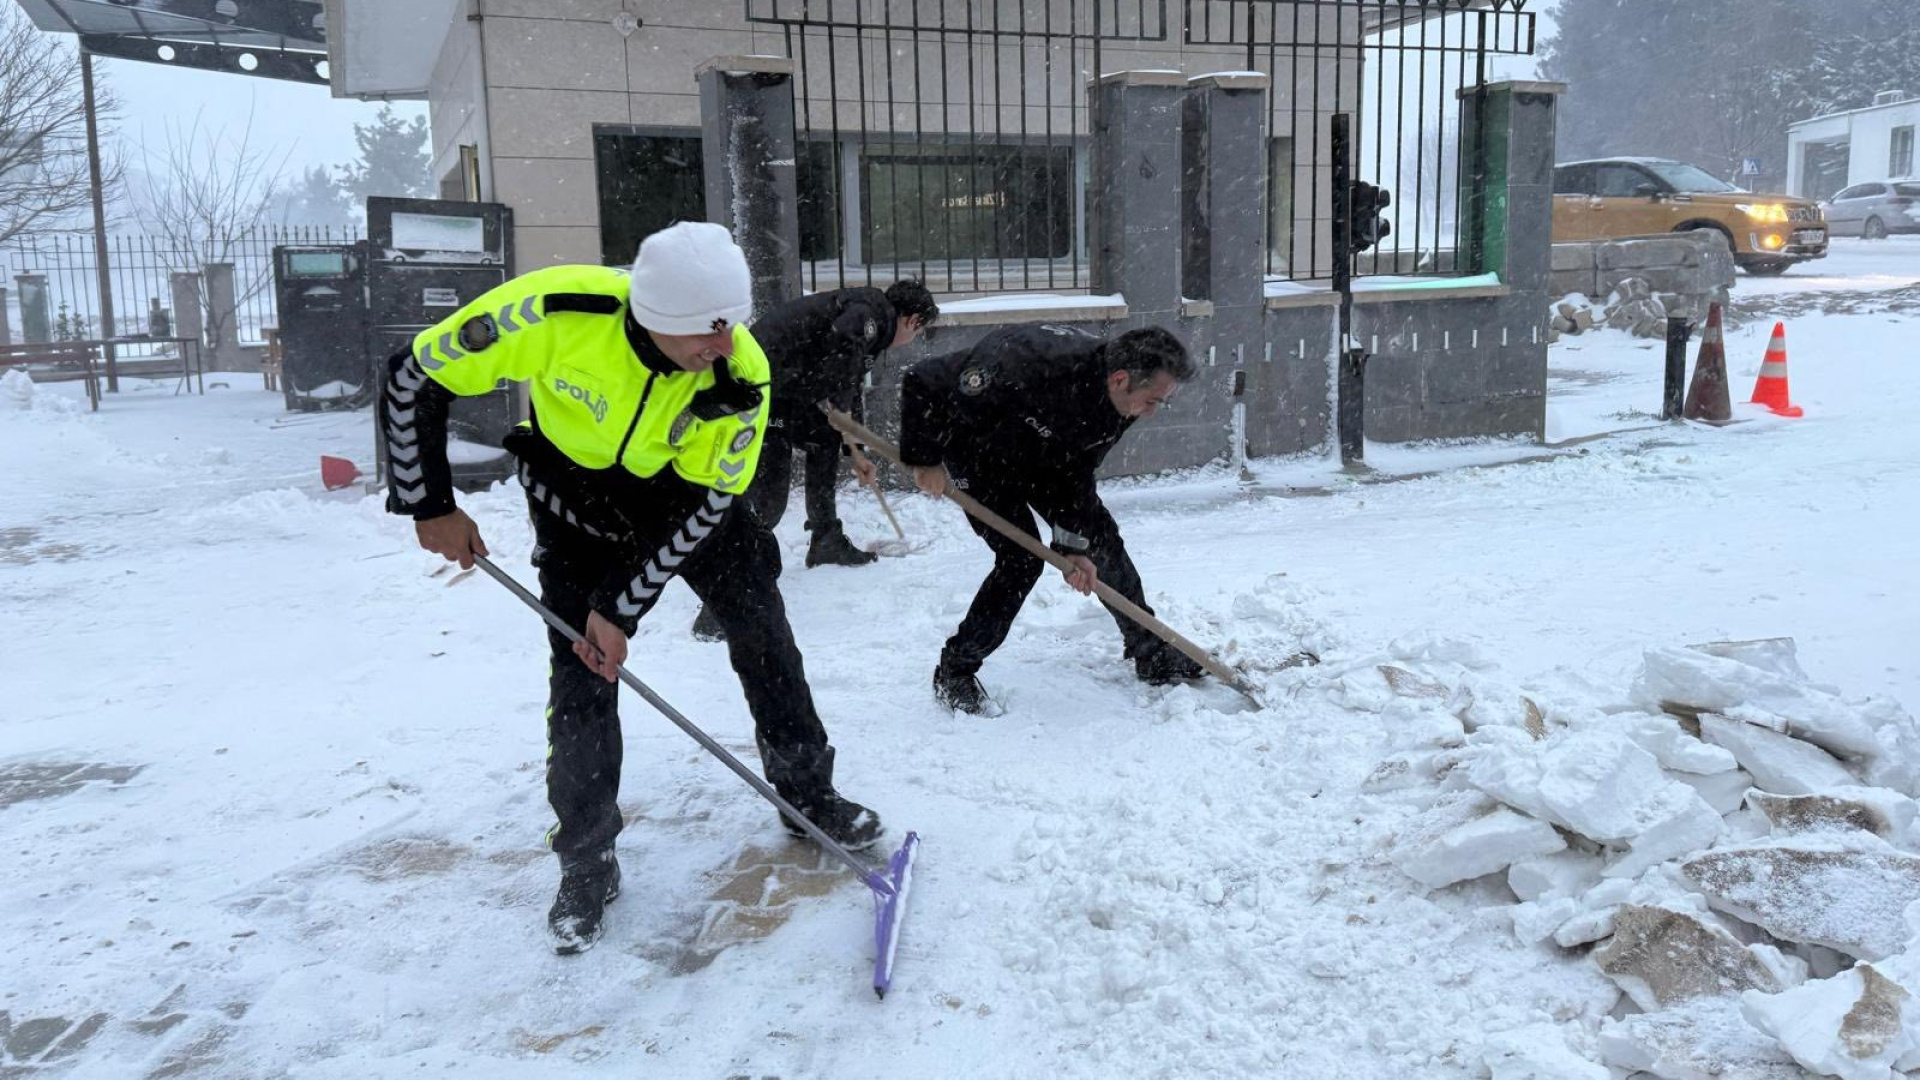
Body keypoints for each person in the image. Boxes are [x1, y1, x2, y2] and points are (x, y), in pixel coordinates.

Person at [381, 221, 883, 955]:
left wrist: (623, 606)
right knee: (580, 671)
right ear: (657, 319)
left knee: (762, 625)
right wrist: (430, 501)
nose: (726, 346)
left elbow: (709, 503)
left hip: (684, 498)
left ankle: (807, 794)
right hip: (571, 496)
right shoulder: (557, 312)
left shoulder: (741, 374)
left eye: (732, 327)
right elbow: (413, 375)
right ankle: (586, 856)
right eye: (707, 334)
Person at [898, 324, 1207, 714]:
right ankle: (955, 670)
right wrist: (923, 457)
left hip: (1043, 461)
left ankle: (1150, 652)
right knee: (1020, 561)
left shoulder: (1120, 402)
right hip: (976, 455)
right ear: (1121, 378)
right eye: (1152, 401)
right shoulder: (1027, 363)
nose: (1152, 412)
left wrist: (1072, 545)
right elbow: (921, 380)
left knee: (1101, 540)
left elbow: (1077, 470)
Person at [690, 281, 940, 641]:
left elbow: (850, 385)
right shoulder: (869, 313)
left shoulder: (874, 323)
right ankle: (720, 604)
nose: (914, 338)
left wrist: (856, 450)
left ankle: (825, 539)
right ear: (913, 320)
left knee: (823, 438)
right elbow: (844, 346)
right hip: (759, 386)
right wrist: (840, 409)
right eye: (920, 330)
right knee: (769, 497)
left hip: (785, 388)